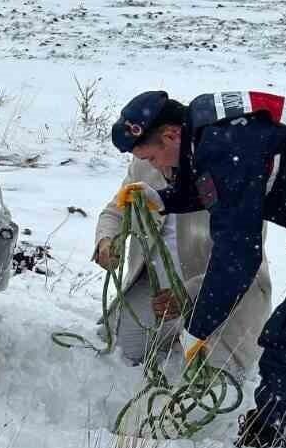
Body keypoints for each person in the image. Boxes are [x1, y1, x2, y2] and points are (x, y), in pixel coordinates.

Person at [111, 90, 286, 448]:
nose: (157, 168)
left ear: (172, 135)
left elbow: (238, 256)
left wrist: (197, 328)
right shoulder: (209, 125)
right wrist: (166, 199)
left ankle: (266, 443)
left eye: (153, 157)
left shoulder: (222, 144)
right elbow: (217, 184)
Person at [92, 138, 271, 382]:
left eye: (152, 157)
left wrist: (187, 294)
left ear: (172, 139)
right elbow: (116, 210)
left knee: (213, 379)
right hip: (156, 287)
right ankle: (172, 336)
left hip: (220, 292)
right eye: (144, 158)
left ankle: (191, 339)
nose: (149, 164)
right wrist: (106, 241)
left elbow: (242, 263)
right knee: (123, 351)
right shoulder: (145, 162)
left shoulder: (231, 171)